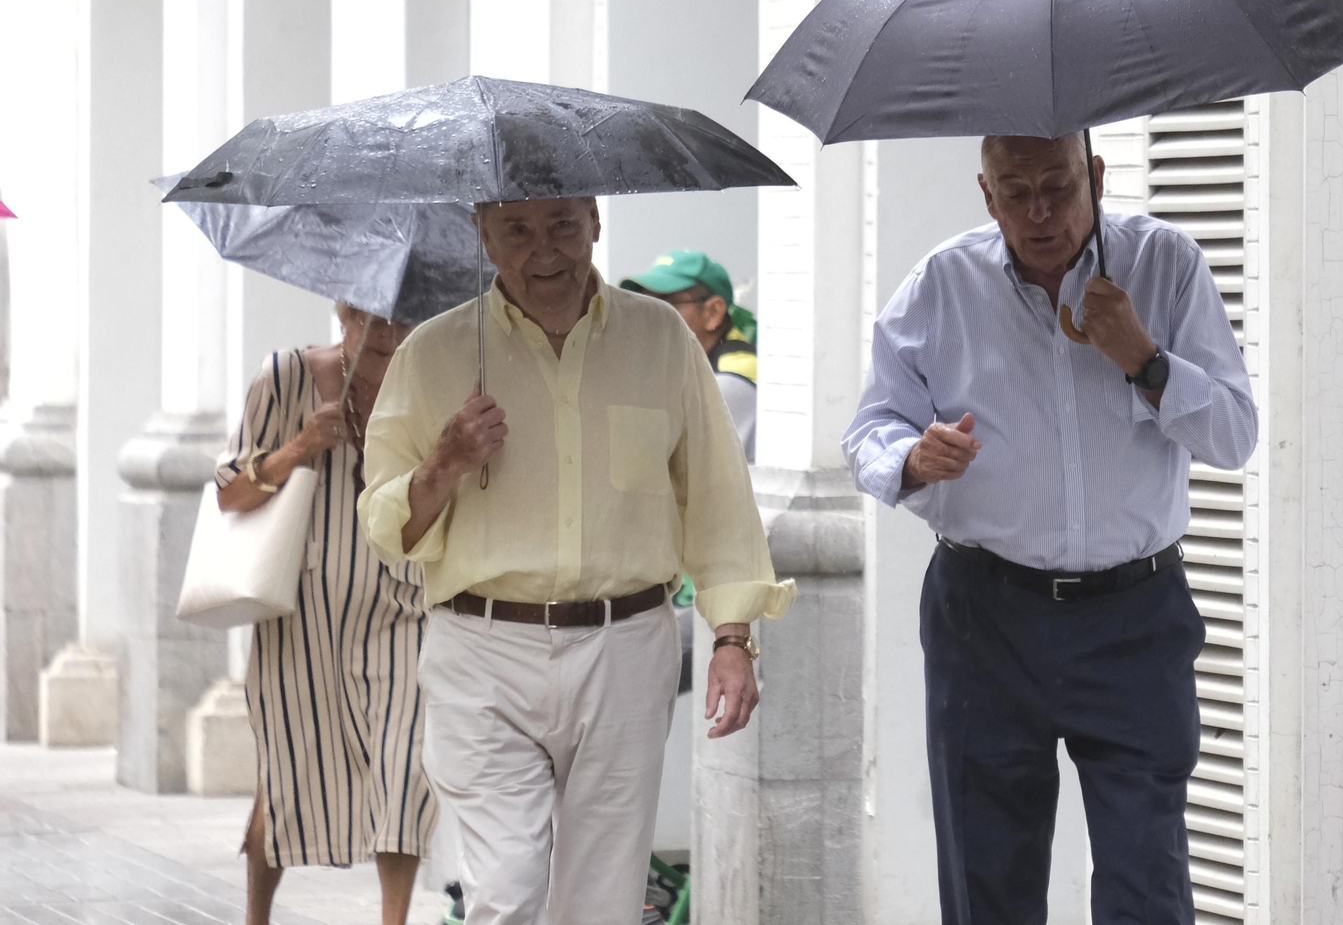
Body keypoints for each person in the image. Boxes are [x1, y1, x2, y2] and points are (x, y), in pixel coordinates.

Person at [843, 133, 1258, 925]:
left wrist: (1145, 358)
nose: (1040, 212)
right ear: (986, 193)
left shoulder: (1165, 264)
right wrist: (913, 458)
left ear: (1095, 174)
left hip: (1135, 617)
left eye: (1059, 188)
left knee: (1148, 885)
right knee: (987, 882)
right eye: (1016, 191)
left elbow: (1235, 433)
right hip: (985, 616)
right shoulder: (941, 284)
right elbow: (870, 429)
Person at [359, 197, 793, 925]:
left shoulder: (660, 338)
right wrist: (445, 462)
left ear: (595, 220)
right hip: (482, 649)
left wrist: (732, 637)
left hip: (626, 646)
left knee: (603, 903)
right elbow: (385, 529)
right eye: (517, 230)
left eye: (562, 224)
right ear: (485, 235)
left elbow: (718, 494)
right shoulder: (433, 352)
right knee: (507, 891)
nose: (544, 250)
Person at [215, 302, 432, 925]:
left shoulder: (432, 378)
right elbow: (230, 492)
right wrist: (301, 446)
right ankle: (256, 916)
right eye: (374, 317)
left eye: (405, 317)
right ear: (342, 309)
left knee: (406, 771)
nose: (390, 332)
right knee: (289, 773)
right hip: (301, 616)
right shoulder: (285, 377)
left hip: (405, 609)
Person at [620, 250, 758, 461]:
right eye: (645, 304)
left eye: (665, 304)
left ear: (713, 312)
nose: (649, 317)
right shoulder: (687, 368)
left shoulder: (728, 381)